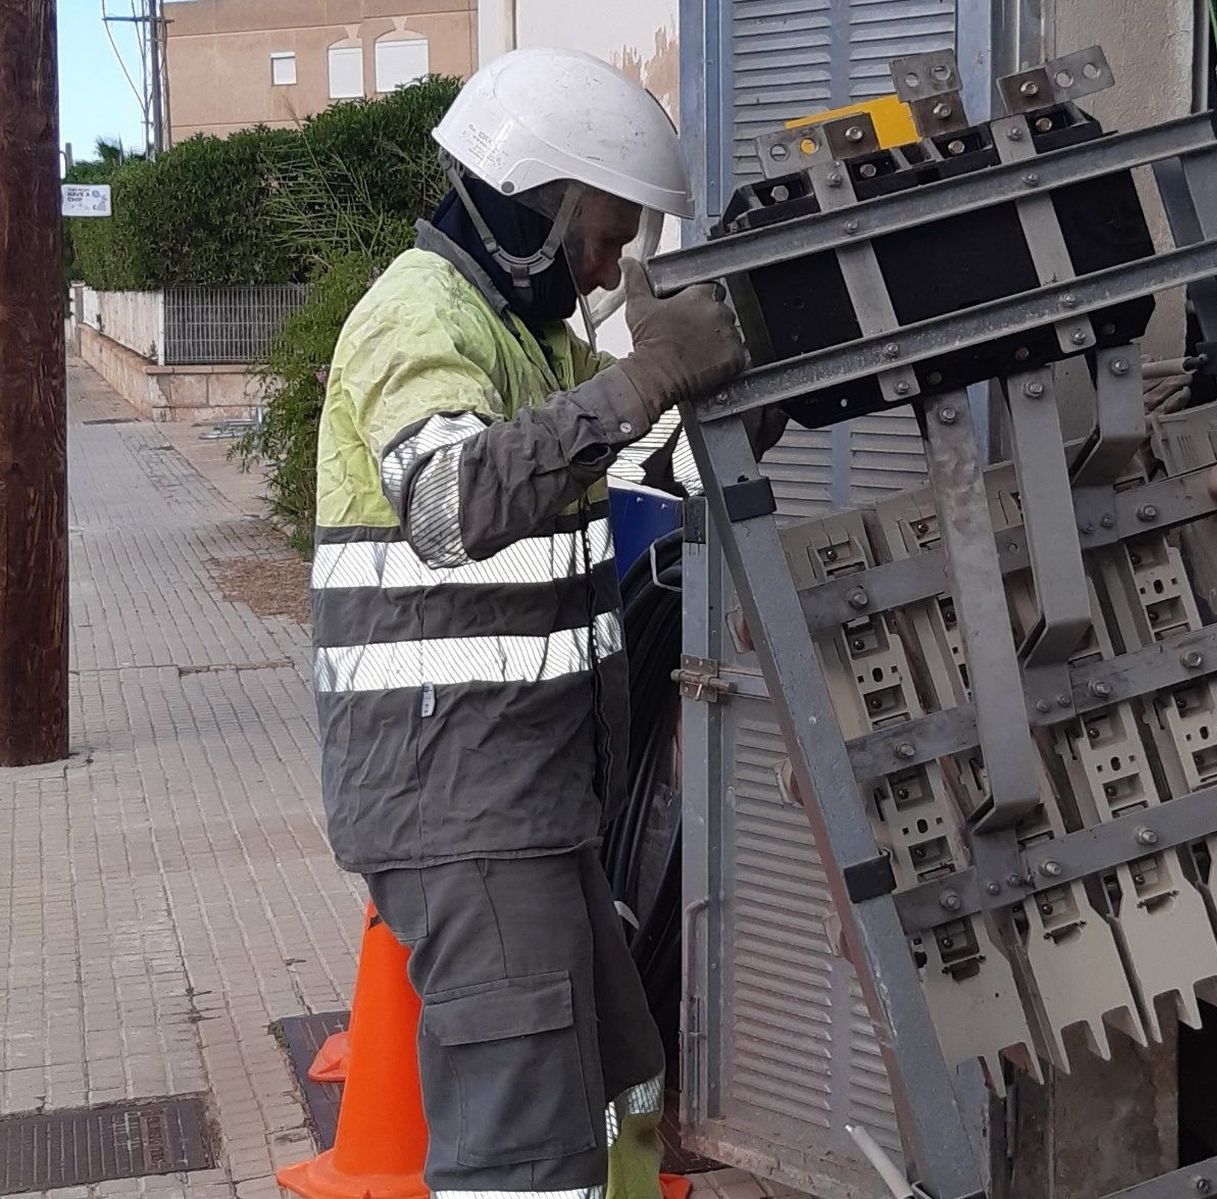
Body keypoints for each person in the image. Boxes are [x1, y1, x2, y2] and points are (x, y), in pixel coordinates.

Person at [309, 47, 762, 1199]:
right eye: (606, 237)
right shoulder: (416, 317)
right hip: (462, 807)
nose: (610, 272)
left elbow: (594, 455)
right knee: (523, 1154)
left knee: (620, 1078)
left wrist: (679, 380)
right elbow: (452, 501)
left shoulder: (527, 340)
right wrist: (638, 383)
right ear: (533, 206)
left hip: (534, 803)